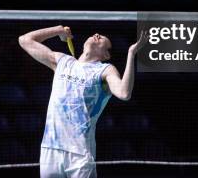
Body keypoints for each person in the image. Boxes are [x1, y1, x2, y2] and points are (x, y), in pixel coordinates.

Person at [18, 25, 147, 178]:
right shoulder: (63, 61)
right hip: (50, 150)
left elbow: (124, 93)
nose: (97, 34)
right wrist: (58, 30)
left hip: (80, 155)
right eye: (96, 34)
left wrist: (131, 54)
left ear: (106, 54)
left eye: (103, 39)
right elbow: (25, 40)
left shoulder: (105, 70)